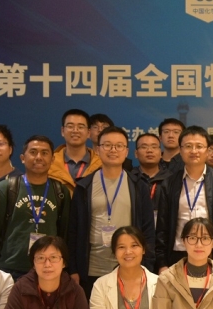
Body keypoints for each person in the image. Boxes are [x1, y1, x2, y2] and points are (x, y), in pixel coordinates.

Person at [67, 126, 156, 297]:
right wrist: (73, 269)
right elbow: (73, 230)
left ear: (126, 151)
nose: (113, 150)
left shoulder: (138, 186)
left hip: (129, 265)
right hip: (92, 268)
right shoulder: (84, 186)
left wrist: (147, 266)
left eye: (119, 146)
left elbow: (148, 231)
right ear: (97, 149)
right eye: (107, 145)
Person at [155, 125, 213, 273]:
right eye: (188, 146)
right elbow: (162, 227)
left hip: (212, 253)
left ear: (207, 150)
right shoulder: (169, 183)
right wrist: (162, 262)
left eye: (199, 146)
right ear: (180, 150)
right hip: (178, 254)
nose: (194, 151)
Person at [0, 135, 70, 281]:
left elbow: (65, 233)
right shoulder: (5, 189)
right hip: (10, 270)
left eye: (44, 153)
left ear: (53, 159)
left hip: (48, 270)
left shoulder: (60, 192)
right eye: (33, 152)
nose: (39, 157)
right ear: (23, 158)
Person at [48, 109, 102, 193]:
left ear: (88, 133)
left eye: (80, 127)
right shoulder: (49, 163)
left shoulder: (101, 164)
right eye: (70, 126)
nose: (75, 130)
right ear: (62, 131)